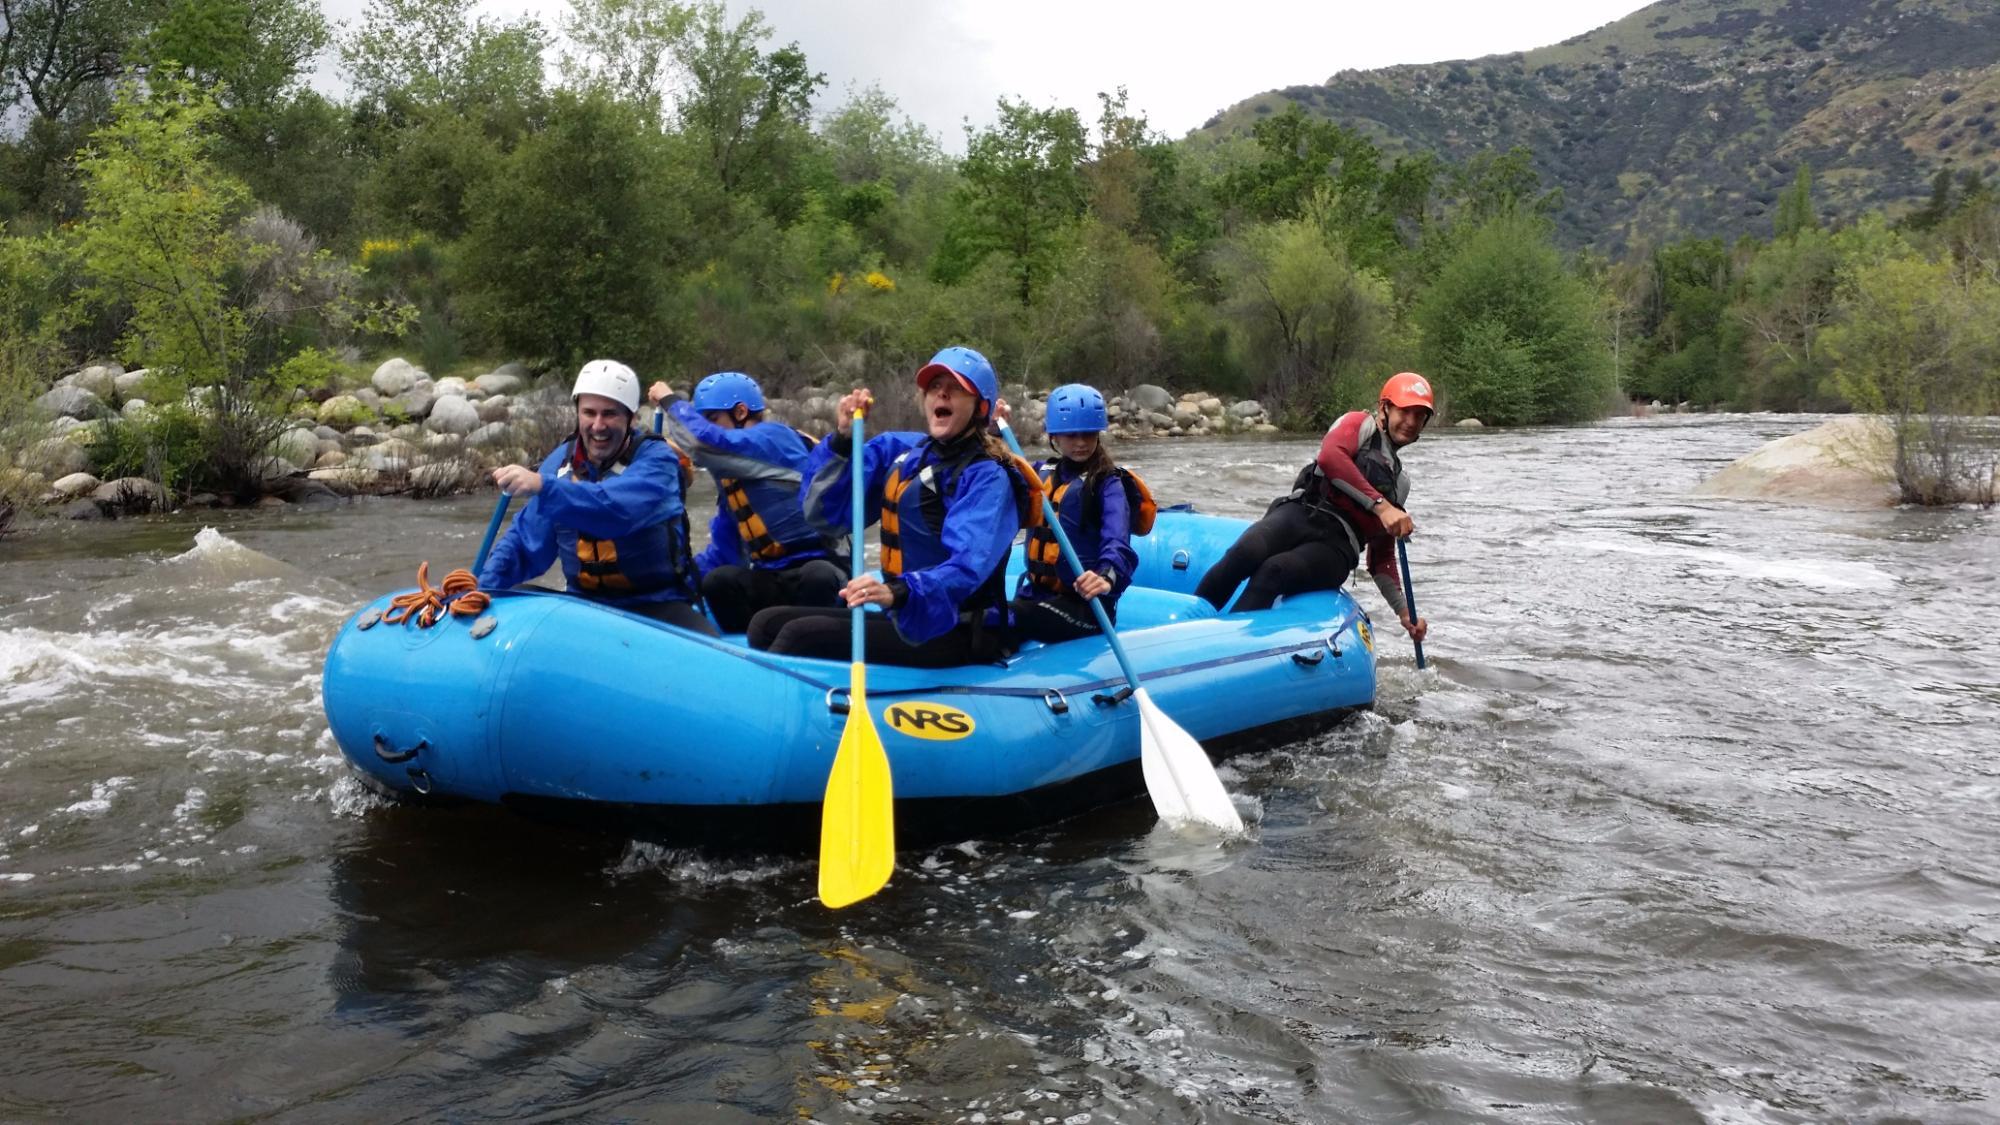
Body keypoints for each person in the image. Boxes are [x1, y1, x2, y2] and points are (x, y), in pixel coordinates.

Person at [746, 345, 1042, 667]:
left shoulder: (988, 477)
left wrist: (899, 591)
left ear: (981, 407)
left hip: (958, 626)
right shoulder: (903, 451)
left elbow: (967, 567)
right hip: (907, 614)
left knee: (798, 636)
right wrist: (843, 440)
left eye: (955, 388)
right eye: (934, 387)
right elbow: (825, 515)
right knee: (765, 624)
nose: (941, 394)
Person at [1193, 371, 1434, 646]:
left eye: (1419, 415)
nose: (1411, 422)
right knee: (1245, 551)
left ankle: (1226, 647)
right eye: (1405, 411)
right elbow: (1331, 457)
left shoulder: (1400, 484)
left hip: (1337, 548)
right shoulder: (1358, 424)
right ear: (1384, 408)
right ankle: (1188, 626)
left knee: (1274, 571)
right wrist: (1380, 505)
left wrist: (1404, 611)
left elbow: (1381, 557)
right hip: (1303, 511)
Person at [477, 359, 716, 635]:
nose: (598, 425)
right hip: (585, 606)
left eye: (609, 414)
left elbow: (615, 511)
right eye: (589, 413)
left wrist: (544, 486)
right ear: (578, 414)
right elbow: (525, 543)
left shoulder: (658, 461)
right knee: (511, 596)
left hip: (656, 605)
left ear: (631, 418)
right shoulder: (559, 464)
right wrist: (481, 590)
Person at [645, 372, 846, 633]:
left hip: (824, 573)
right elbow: (725, 551)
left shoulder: (775, 438)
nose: (708, 427)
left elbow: (701, 441)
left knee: (816, 575)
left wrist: (670, 401)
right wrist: (671, 582)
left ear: (741, 412)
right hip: (770, 576)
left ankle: (812, 643)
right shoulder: (732, 475)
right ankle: (747, 651)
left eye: (712, 420)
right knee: (718, 581)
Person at [1002, 383, 1148, 644]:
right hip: (1035, 595)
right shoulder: (1039, 473)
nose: (1081, 442)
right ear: (1054, 437)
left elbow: (1117, 540)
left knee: (1006, 617)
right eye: (1071, 435)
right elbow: (994, 472)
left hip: (1086, 607)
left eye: (1088, 434)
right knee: (985, 618)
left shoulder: (1107, 483)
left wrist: (1106, 576)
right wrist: (992, 430)